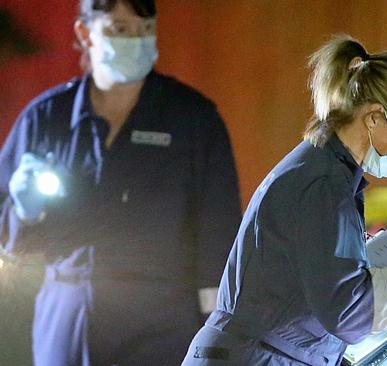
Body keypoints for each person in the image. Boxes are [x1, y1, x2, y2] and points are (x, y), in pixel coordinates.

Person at [181, 35, 387, 365]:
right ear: (374, 118)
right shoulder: (324, 185)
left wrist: (385, 327)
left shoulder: (326, 172)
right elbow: (348, 312)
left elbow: (316, 303)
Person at [0, 0, 242, 365]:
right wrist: (24, 212)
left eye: (145, 30)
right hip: (67, 315)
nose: (135, 41)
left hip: (160, 321)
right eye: (119, 29)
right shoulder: (47, 119)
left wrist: (216, 330)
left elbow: (219, 229)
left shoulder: (191, 119)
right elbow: (7, 237)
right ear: (85, 33)